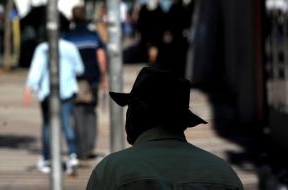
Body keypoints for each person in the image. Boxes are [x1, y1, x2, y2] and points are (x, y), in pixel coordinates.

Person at [87, 67, 244, 190]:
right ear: (184, 121)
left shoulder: (112, 171)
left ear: (136, 113)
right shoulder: (223, 174)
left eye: (129, 108)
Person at [23, 29, 84, 174]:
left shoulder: (43, 48)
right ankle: (72, 156)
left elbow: (36, 69)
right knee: (66, 124)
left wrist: (29, 88)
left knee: (47, 125)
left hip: (47, 92)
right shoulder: (70, 47)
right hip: (67, 91)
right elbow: (80, 69)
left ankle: (46, 158)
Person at [64, 5, 107, 159]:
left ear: (73, 18)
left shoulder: (67, 37)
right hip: (92, 79)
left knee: (77, 113)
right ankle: (89, 147)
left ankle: (80, 148)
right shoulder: (93, 35)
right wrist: (103, 77)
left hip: (74, 81)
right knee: (91, 113)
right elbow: (101, 56)